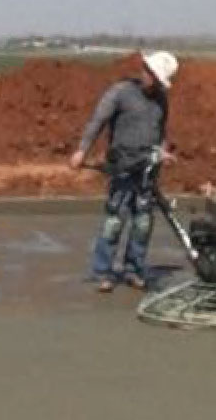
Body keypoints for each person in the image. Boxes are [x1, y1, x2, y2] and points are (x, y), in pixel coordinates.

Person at [70, 51, 179, 292]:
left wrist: (163, 153)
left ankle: (134, 270)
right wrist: (82, 151)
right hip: (122, 167)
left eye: (157, 78)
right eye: (149, 73)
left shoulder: (161, 99)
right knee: (114, 221)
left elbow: (160, 132)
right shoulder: (120, 93)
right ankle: (104, 272)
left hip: (148, 169)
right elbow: (97, 121)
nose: (150, 79)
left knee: (142, 223)